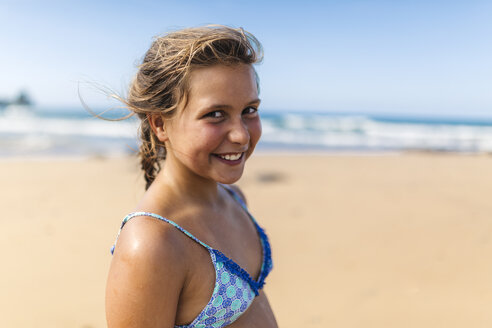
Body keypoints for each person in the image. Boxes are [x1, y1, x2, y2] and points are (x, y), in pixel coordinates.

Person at [106, 25, 277, 328]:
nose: (240, 135)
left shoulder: (235, 198)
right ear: (160, 124)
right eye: (215, 114)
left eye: (249, 110)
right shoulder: (151, 244)